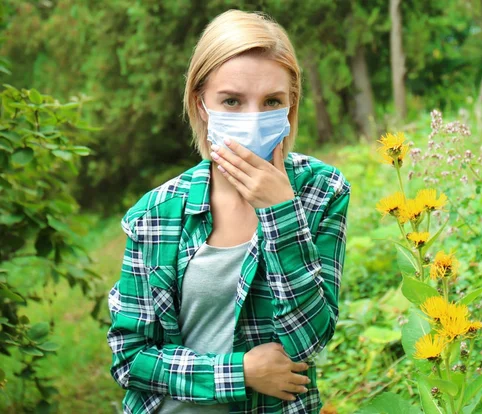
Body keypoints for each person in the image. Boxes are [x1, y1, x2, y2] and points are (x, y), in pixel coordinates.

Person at [106, 9, 351, 414]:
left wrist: (281, 213)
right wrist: (239, 372)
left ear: (290, 107)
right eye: (232, 101)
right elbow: (130, 358)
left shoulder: (321, 191)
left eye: (272, 101)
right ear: (201, 103)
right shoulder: (155, 212)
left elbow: (309, 341)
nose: (252, 119)